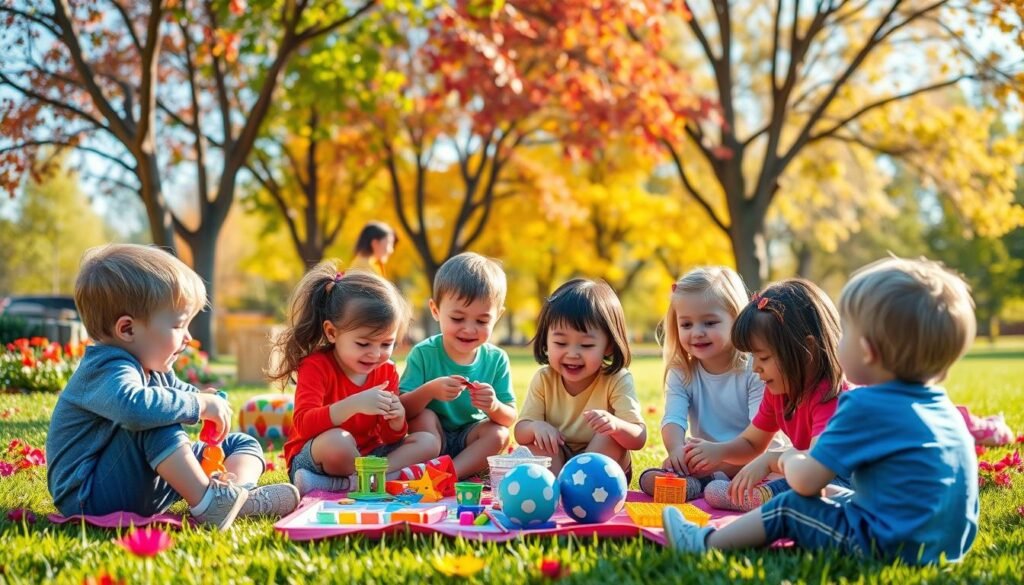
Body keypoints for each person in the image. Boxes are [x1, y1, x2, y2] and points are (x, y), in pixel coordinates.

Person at [664, 257, 979, 565]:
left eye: (846, 333)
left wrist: (778, 458)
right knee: (837, 495)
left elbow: (807, 482)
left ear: (867, 350)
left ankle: (703, 544)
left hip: (889, 546)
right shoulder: (943, 408)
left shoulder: (859, 403)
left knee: (789, 506)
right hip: (945, 547)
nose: (755, 368)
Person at [47, 244, 298, 531]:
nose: (189, 337)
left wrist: (207, 400)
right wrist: (200, 405)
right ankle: (211, 504)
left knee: (240, 443)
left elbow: (178, 393)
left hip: (140, 483)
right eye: (179, 325)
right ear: (127, 329)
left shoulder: (153, 366)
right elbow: (136, 408)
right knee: (150, 420)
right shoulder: (106, 367)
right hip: (90, 493)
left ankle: (237, 496)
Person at [683, 279, 849, 511]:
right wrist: (718, 451)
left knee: (807, 487)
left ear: (806, 351)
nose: (755, 368)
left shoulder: (831, 397)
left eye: (763, 358)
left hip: (845, 484)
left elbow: (818, 464)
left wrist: (770, 460)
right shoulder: (780, 392)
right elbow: (752, 442)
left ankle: (764, 496)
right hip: (809, 475)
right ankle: (759, 494)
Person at [275, 266, 439, 495]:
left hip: (369, 457)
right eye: (363, 344)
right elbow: (303, 424)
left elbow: (389, 436)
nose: (375, 354)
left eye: (386, 344)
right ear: (332, 333)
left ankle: (363, 481)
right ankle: (374, 479)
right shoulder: (316, 366)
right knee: (338, 442)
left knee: (428, 442)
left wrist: (396, 420)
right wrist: (354, 404)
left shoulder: (386, 370)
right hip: (318, 457)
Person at [638, 267, 764, 500]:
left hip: (751, 454)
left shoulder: (754, 370)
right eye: (686, 325)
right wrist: (676, 450)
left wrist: (718, 456)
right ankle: (701, 483)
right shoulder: (682, 371)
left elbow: (761, 435)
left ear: (736, 320)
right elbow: (673, 418)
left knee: (753, 466)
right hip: (705, 457)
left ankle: (706, 483)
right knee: (659, 472)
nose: (697, 333)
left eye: (709, 322)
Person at [399, 253, 517, 479]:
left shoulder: (496, 359)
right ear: (435, 311)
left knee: (499, 434)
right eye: (458, 319)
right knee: (423, 416)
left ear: (497, 317)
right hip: (432, 439)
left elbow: (509, 418)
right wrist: (430, 390)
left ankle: (448, 475)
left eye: (482, 321)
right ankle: (432, 467)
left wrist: (493, 405)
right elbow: (403, 411)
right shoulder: (424, 354)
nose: (469, 329)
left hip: (471, 441)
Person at [514, 279, 647, 478]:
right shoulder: (544, 378)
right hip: (559, 456)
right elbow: (520, 432)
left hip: (603, 468)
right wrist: (536, 427)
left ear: (608, 345)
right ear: (546, 340)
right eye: (560, 342)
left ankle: (577, 486)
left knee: (610, 436)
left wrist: (616, 425)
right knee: (537, 441)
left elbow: (639, 438)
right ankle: (558, 490)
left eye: (586, 345)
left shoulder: (616, 379)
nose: (573, 354)